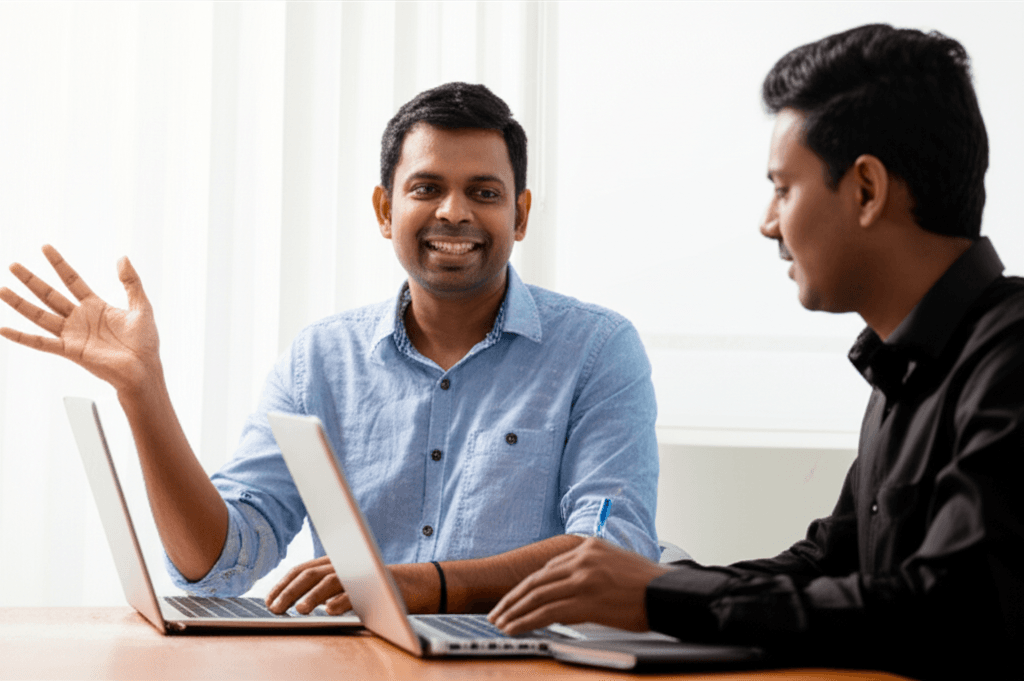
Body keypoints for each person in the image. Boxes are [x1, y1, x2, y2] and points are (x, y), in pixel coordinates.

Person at [0, 82, 663, 617]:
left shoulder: (598, 350)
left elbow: (608, 551)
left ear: (519, 214)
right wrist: (144, 393)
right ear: (384, 209)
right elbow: (220, 562)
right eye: (427, 188)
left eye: (483, 193)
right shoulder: (320, 359)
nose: (454, 211)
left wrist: (419, 583)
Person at [489, 24, 1023, 679]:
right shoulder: (900, 369)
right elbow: (830, 562)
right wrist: (648, 584)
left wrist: (659, 594)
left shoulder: (1011, 355)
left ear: (866, 190)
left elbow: (949, 610)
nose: (768, 222)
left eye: (783, 187)